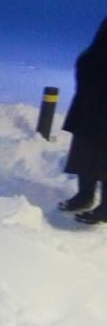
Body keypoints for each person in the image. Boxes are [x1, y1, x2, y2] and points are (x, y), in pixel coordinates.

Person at [59, 16, 107, 224]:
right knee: (84, 154)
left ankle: (105, 208)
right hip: (91, 109)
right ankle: (84, 196)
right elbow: (90, 58)